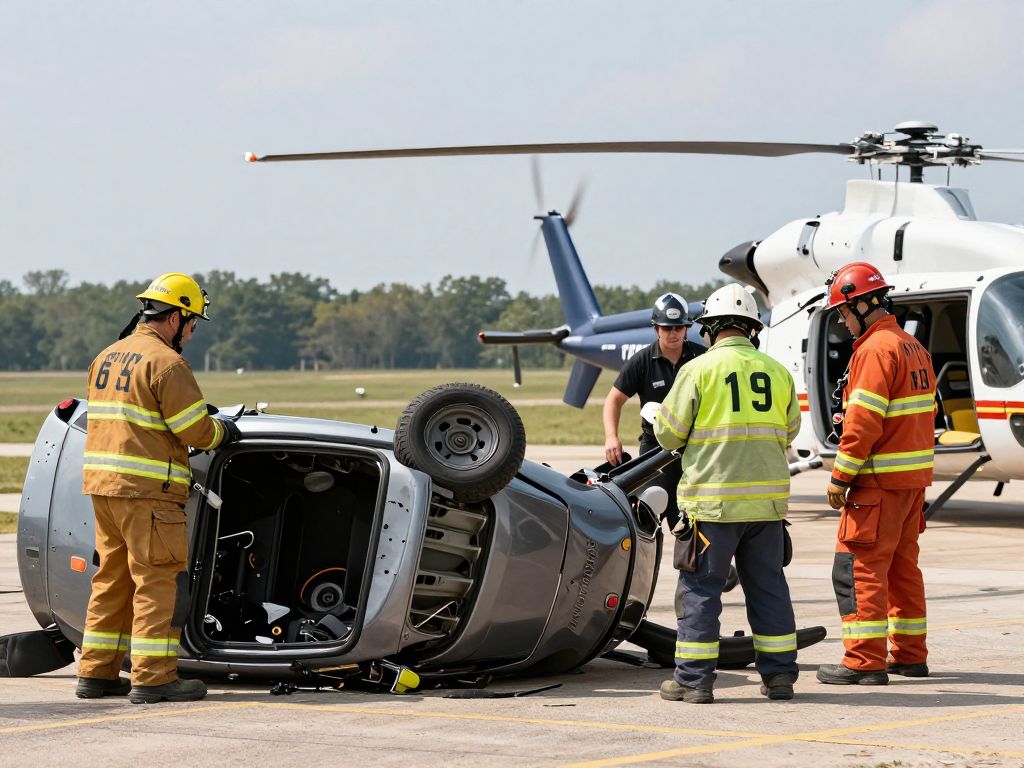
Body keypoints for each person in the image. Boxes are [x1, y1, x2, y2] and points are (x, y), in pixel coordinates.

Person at [76, 273, 240, 704]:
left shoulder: (107, 356)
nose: (192, 333)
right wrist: (225, 431)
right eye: (193, 323)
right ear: (177, 317)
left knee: (111, 579)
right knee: (157, 581)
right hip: (148, 493)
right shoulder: (167, 364)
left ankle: (96, 672)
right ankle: (152, 677)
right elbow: (195, 430)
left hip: (104, 489)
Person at [654, 283, 801, 704]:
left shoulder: (697, 371)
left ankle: (694, 681)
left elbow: (668, 433)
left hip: (712, 507)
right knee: (769, 589)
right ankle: (779, 678)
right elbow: (789, 430)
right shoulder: (777, 372)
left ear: (710, 329)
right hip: (767, 508)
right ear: (752, 329)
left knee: (701, 591)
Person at [817, 262, 934, 686]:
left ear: (864, 304)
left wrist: (839, 478)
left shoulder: (873, 351)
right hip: (911, 486)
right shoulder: (911, 346)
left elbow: (862, 424)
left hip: (877, 487)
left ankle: (864, 662)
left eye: (846, 312)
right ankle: (909, 655)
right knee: (904, 571)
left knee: (858, 568)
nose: (845, 321)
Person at [603, 292, 704, 528]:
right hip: (654, 452)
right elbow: (613, 400)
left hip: (694, 452)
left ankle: (690, 565)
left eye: (679, 327)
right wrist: (611, 437)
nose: (674, 333)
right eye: (667, 328)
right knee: (647, 520)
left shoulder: (701, 358)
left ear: (686, 328)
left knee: (692, 523)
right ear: (656, 329)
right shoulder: (642, 361)